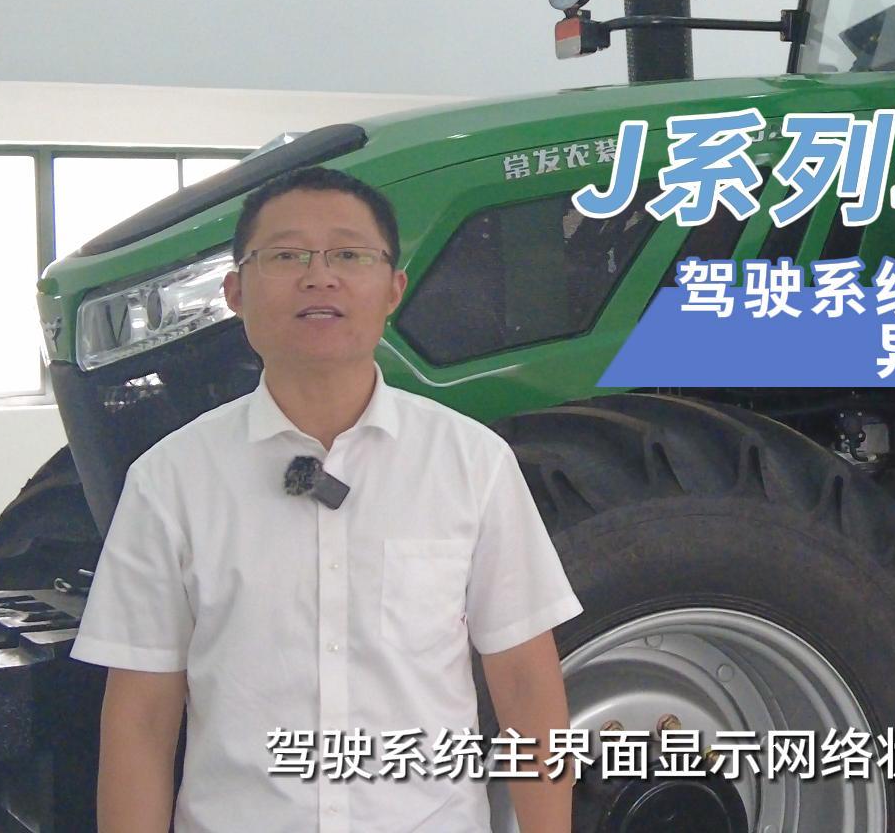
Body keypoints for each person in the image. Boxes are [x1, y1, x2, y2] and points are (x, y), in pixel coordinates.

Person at [71, 165, 582, 832]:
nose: (319, 276)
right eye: (286, 256)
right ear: (235, 292)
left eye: (349, 254)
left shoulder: (471, 463)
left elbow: (525, 684)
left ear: (393, 289)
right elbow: (141, 715)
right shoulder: (170, 480)